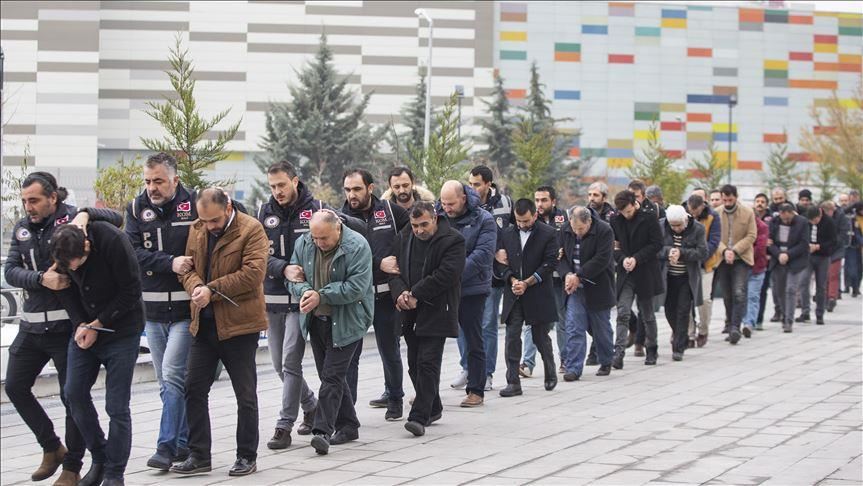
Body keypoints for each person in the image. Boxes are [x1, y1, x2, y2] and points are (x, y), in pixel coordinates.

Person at [4, 172, 121, 486]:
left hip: (66, 327)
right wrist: (41, 279)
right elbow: (11, 270)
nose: (28, 207)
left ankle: (72, 466)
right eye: (25, 201)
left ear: (53, 198)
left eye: (34, 200)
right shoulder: (22, 228)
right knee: (14, 386)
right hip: (31, 327)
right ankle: (52, 446)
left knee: (72, 397)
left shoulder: (72, 220)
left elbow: (116, 218)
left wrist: (86, 214)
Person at [172, 188, 268, 477]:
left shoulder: (251, 229)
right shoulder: (197, 228)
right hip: (204, 325)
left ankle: (246, 456)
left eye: (214, 220)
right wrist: (196, 287)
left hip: (240, 326)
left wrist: (210, 290)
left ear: (227, 208)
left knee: (245, 394)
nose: (209, 226)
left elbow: (253, 274)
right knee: (193, 388)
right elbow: (187, 270)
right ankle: (199, 455)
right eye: (204, 220)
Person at [50, 219, 144, 486]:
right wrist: (81, 323)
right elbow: (64, 289)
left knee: (116, 406)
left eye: (77, 263)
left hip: (121, 329)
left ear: (87, 246)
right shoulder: (61, 246)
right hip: (85, 327)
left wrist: (98, 324)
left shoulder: (112, 240)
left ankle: (115, 473)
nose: (73, 269)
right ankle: (100, 456)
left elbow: (131, 290)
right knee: (73, 393)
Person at [123, 153, 197, 470]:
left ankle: (165, 447)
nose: (152, 187)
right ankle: (182, 442)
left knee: (172, 375)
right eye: (148, 181)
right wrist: (169, 262)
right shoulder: (136, 208)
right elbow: (132, 252)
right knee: (166, 382)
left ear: (175, 180)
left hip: (185, 310)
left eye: (158, 181)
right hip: (152, 312)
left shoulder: (194, 205)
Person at [286, 211, 373, 455]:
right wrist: (304, 291)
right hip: (316, 319)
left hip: (348, 320)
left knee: (332, 376)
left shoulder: (357, 245)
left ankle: (322, 431)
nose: (318, 243)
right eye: (314, 237)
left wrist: (321, 296)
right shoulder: (305, 242)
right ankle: (349, 425)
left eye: (323, 238)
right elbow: (293, 277)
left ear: (338, 228)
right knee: (331, 375)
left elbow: (356, 287)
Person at [388, 202, 466, 436]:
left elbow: (447, 274)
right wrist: (401, 293)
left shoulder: (453, 240)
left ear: (435, 219)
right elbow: (393, 272)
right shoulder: (404, 237)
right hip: (409, 310)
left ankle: (419, 417)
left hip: (438, 308)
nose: (419, 230)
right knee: (414, 364)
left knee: (428, 362)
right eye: (415, 225)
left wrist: (416, 294)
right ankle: (434, 407)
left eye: (424, 224)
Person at [341, 169, 409, 420]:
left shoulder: (391, 211)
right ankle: (348, 410)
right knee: (350, 356)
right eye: (348, 190)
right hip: (355, 299)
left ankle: (395, 399)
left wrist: (400, 277)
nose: (352, 195)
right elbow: (343, 259)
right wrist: (379, 263)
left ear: (370, 188)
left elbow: (409, 242)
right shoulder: (340, 218)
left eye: (357, 189)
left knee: (389, 350)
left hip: (385, 297)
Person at [440, 181, 496, 407]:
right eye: (443, 203)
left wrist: (450, 276)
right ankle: (427, 390)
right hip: (441, 287)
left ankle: (476, 390)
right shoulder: (437, 216)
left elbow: (482, 255)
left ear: (463, 198)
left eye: (451, 204)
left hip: (472, 288)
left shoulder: (484, 219)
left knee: (474, 339)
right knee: (431, 340)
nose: (447, 208)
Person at [494, 199, 559, 395]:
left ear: (535, 215)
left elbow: (550, 264)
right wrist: (513, 280)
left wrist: (527, 282)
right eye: (519, 221)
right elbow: (500, 263)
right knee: (512, 337)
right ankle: (513, 382)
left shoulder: (548, 233)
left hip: (538, 292)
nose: (522, 225)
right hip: (514, 292)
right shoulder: (506, 233)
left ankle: (550, 370)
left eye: (526, 221)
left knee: (540, 337)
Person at [460, 165, 511, 392]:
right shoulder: (465, 203)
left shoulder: (504, 203)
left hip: (494, 274)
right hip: (467, 274)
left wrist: (502, 250)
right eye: (470, 184)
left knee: (488, 323)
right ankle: (467, 368)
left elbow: (511, 232)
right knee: (463, 325)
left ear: (488, 184)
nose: (472, 188)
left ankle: (486, 373)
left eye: (477, 184)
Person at [558, 206, 616, 378]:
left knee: (601, 329)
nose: (577, 233)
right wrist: (567, 275)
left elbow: (602, 259)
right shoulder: (565, 230)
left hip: (598, 286)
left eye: (581, 229)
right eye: (574, 229)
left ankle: (606, 361)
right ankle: (573, 368)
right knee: (574, 327)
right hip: (574, 288)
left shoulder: (604, 230)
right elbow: (559, 256)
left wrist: (579, 276)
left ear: (589, 222)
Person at [610, 190, 663, 368]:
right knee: (623, 311)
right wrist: (623, 259)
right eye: (622, 212)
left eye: (629, 211)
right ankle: (618, 353)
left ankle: (652, 349)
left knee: (647, 313)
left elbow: (657, 244)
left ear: (635, 204)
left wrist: (637, 258)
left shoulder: (649, 217)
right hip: (625, 272)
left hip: (645, 271)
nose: (626, 215)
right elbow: (614, 246)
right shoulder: (615, 220)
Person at [520, 186, 567, 378]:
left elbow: (571, 241)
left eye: (544, 200)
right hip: (537, 279)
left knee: (562, 320)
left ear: (553, 201)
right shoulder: (530, 220)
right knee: (532, 322)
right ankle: (527, 363)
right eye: (537, 200)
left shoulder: (563, 218)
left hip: (559, 277)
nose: (540, 204)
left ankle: (565, 359)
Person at [658, 205, 707, 361]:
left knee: (683, 310)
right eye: (673, 226)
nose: (676, 229)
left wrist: (682, 253)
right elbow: (655, 249)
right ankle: (681, 335)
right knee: (669, 310)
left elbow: (702, 252)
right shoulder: (661, 226)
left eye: (679, 225)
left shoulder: (698, 229)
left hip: (687, 277)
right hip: (667, 277)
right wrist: (668, 251)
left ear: (685, 220)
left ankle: (678, 348)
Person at [716, 184, 757, 344]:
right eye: (724, 200)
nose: (727, 203)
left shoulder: (747, 212)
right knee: (727, 295)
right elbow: (714, 236)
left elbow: (751, 235)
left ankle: (735, 327)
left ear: (736, 197)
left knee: (739, 292)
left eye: (730, 200)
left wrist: (735, 250)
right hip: (722, 258)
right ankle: (729, 323)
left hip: (741, 258)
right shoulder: (717, 213)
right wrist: (725, 250)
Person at [684, 193, 720, 347]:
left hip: (706, 264)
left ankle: (703, 329)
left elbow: (714, 240)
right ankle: (689, 333)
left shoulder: (713, 216)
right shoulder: (682, 214)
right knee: (685, 300)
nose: (693, 215)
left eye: (696, 212)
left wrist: (701, 254)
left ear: (702, 206)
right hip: (686, 264)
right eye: (691, 211)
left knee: (704, 299)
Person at [767, 203, 809, 332]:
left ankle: (789, 320)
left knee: (790, 289)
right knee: (779, 290)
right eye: (783, 218)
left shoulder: (802, 222)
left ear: (792, 213)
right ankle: (784, 315)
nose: (785, 221)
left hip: (795, 259)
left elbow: (803, 244)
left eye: (788, 218)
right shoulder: (774, 222)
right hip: (778, 259)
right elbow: (769, 242)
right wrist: (779, 254)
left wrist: (788, 254)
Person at [799, 205, 836, 325]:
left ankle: (820, 314)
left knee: (821, 286)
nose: (813, 223)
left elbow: (833, 241)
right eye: (811, 220)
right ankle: (805, 311)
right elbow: (800, 236)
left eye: (815, 220)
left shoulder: (829, 222)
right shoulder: (805, 220)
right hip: (808, 256)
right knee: (804, 281)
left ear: (820, 215)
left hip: (823, 257)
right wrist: (807, 246)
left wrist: (820, 246)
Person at [742, 215, 768, 335]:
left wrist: (743, 253)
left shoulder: (762, 227)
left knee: (752, 296)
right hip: (741, 267)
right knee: (741, 296)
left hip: (757, 267)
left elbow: (760, 248)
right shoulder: (741, 225)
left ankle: (749, 323)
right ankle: (742, 321)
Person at [822, 201, 849, 312]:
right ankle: (824, 296)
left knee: (833, 274)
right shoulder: (821, 217)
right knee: (824, 275)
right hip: (824, 249)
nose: (829, 213)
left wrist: (833, 243)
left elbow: (843, 233)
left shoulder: (841, 217)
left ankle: (832, 297)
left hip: (837, 249)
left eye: (830, 211)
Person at [753, 193, 774, 329]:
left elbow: (774, 238)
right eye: (757, 201)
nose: (759, 204)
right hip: (751, 257)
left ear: (767, 204)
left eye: (762, 202)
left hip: (767, 258)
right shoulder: (749, 217)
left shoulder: (772, 220)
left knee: (762, 290)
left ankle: (759, 319)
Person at [846, 201, 863, 297]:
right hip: (852, 246)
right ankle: (854, 287)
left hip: (860, 247)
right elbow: (856, 233)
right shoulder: (853, 218)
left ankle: (857, 287)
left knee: (860, 269)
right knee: (853, 268)